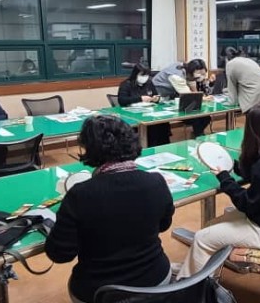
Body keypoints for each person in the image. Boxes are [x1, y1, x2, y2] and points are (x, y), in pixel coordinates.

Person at [176, 100, 260, 278]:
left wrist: (224, 179)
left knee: (202, 237)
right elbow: (259, 177)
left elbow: (247, 204)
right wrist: (232, 165)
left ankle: (190, 285)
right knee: (211, 225)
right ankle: (194, 271)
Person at [45, 116, 175, 303]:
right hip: (157, 278)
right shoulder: (156, 181)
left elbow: (60, 254)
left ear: (89, 148)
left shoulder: (80, 194)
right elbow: (164, 225)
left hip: (100, 291)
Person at [152, 59, 211, 137]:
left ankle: (197, 135)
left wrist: (200, 96)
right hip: (157, 96)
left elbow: (193, 86)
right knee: (196, 118)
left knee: (205, 117)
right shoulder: (176, 76)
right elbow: (188, 96)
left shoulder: (188, 70)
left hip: (169, 97)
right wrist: (202, 98)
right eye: (199, 74)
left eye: (203, 74)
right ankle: (198, 136)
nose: (201, 76)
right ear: (191, 71)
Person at [117, 63, 170, 146]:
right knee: (150, 127)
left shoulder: (149, 83)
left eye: (147, 75)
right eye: (142, 75)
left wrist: (156, 98)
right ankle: (147, 145)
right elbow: (122, 100)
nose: (145, 77)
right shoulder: (126, 84)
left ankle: (161, 146)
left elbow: (155, 95)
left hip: (148, 112)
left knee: (162, 123)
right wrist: (140, 98)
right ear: (135, 74)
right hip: (132, 114)